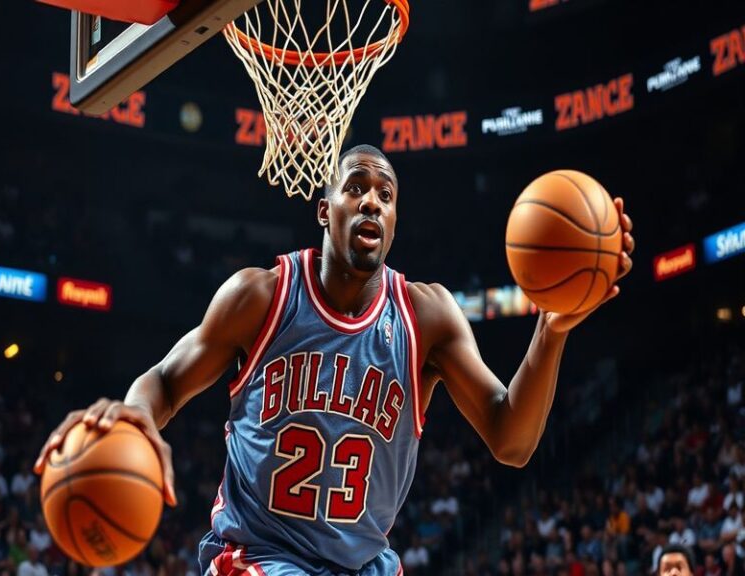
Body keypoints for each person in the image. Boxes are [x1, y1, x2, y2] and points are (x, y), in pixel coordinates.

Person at [35, 145, 635, 575]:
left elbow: (512, 439)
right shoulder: (261, 295)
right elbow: (165, 381)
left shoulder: (428, 317)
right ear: (326, 210)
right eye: (355, 187)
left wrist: (552, 330)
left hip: (364, 562)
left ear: (394, 223)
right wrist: (132, 412)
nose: (371, 201)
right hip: (258, 557)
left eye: (385, 194)